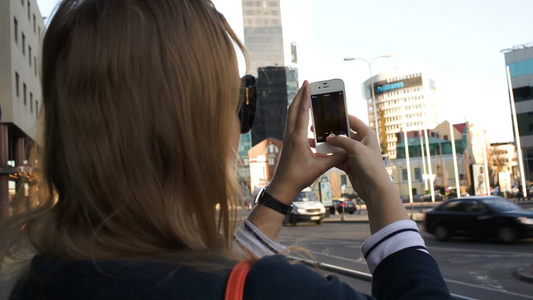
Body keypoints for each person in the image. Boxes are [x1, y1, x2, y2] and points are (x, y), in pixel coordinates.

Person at [1, 0, 450, 299]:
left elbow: (198, 271)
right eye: (240, 100)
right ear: (191, 122)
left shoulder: (40, 280)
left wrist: (279, 192)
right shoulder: (272, 291)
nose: (240, 123)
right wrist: (384, 197)